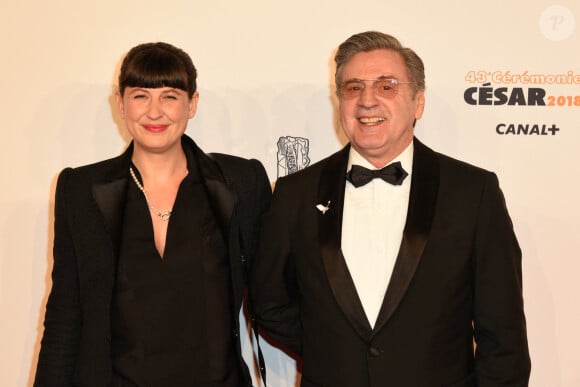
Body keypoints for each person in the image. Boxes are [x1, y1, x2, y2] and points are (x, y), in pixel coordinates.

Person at [251, 31, 531, 386]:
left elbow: (504, 339)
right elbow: (268, 302)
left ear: (418, 102)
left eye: (387, 87)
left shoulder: (473, 192)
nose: (367, 101)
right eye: (354, 88)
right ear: (339, 101)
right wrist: (333, 351)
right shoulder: (295, 194)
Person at [35, 42, 271, 386]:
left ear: (192, 104)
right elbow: (64, 315)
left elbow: (274, 294)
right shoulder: (80, 189)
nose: (154, 112)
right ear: (121, 103)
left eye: (170, 96)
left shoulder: (239, 182)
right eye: (141, 96)